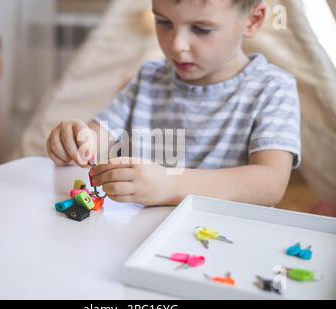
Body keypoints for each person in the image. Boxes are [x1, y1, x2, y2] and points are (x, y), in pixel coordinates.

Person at [46, 0, 301, 207]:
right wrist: (78, 140)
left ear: (253, 20)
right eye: (164, 22)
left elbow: (269, 183)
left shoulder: (273, 88)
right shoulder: (149, 78)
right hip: (140, 238)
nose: (176, 45)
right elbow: (100, 134)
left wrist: (171, 184)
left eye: (201, 29)